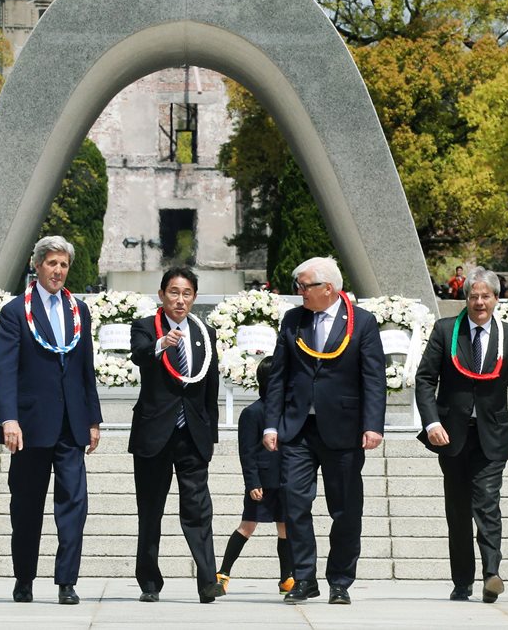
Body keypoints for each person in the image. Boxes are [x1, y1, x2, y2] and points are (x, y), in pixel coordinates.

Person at [264, 256, 386, 605]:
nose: (299, 292)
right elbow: (278, 377)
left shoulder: (361, 323)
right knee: (295, 501)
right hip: (298, 428)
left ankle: (340, 580)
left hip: (344, 429)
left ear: (328, 288)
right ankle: (304, 577)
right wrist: (271, 423)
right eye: (298, 286)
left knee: (345, 509)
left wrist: (373, 425)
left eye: (304, 286)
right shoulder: (293, 320)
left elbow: (373, 377)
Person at [0, 236, 103, 605]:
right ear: (37, 265)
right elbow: (4, 370)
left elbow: (85, 367)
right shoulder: (15, 311)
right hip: (30, 426)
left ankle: (66, 581)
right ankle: (24, 577)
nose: (58, 271)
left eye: (64, 265)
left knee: (74, 504)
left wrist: (93, 419)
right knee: (26, 507)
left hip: (72, 423)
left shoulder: (79, 309)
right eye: (52, 263)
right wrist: (8, 418)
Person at [414, 267, 508, 603]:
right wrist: (432, 422)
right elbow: (425, 380)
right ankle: (462, 580)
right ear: (465, 298)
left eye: (486, 296)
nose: (479, 302)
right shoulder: (446, 330)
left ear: (496, 299)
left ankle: (492, 573)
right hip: (451, 436)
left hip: (492, 437)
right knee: (458, 509)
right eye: (473, 296)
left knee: (487, 503)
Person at [128, 267, 224, 603]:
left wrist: (209, 433)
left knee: (199, 509)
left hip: (191, 435)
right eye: (173, 292)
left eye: (186, 293)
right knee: (150, 511)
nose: (180, 300)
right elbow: (139, 355)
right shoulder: (145, 327)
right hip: (154, 434)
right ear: (162, 295)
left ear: (194, 297)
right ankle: (150, 582)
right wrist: (161, 344)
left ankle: (208, 581)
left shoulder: (204, 333)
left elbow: (209, 387)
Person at [216, 356, 293, 594]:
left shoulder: (290, 412)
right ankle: (223, 574)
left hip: (286, 479)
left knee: (285, 528)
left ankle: (286, 578)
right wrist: (252, 482)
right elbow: (246, 452)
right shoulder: (253, 413)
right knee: (247, 526)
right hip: (262, 482)